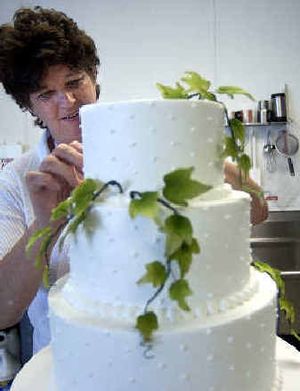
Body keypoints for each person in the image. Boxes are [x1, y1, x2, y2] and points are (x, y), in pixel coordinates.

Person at [0, 6, 268, 355]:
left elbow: (258, 209)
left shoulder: (147, 144)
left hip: (168, 352)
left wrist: (186, 145)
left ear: (93, 76)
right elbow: (4, 311)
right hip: (66, 364)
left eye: (74, 81)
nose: (67, 102)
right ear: (29, 106)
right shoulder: (19, 179)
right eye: (45, 94)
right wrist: (47, 223)